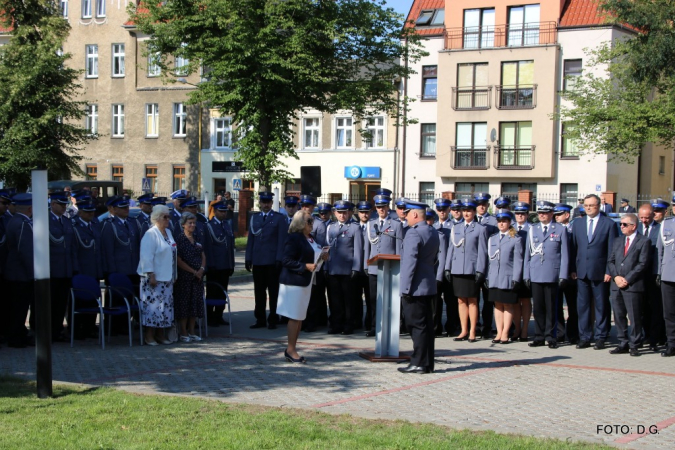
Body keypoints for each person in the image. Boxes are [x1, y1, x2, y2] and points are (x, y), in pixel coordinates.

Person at [277, 211, 328, 363]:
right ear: (300, 223)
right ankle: (291, 350)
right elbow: (286, 260)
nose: (312, 224)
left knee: (299, 317)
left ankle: (292, 348)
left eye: (312, 221)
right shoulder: (294, 238)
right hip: (294, 282)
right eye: (309, 221)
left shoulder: (310, 238)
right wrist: (304, 266)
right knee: (294, 317)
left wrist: (322, 257)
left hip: (305, 282)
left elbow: (313, 258)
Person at [570, 194, 619, 350]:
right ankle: (584, 336)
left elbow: (612, 250)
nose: (589, 208)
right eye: (586, 205)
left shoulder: (609, 224)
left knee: (601, 306)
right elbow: (574, 248)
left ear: (598, 206)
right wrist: (572, 268)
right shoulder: (577, 223)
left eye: (591, 205)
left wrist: (608, 271)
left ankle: (601, 337)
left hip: (600, 272)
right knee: (582, 306)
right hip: (581, 272)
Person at [397, 200, 440, 374]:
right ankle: (427, 363)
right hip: (428, 285)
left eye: (407, 213)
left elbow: (409, 263)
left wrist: (405, 288)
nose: (405, 217)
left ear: (414, 214)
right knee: (427, 327)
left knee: (416, 326)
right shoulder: (432, 231)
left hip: (414, 288)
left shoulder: (413, 234)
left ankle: (419, 362)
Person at [524, 201, 569, 349]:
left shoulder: (560, 229)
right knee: (538, 308)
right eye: (540, 213)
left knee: (551, 307)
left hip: (552, 273)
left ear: (551, 214)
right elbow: (527, 255)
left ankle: (551, 336)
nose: (542, 215)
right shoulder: (532, 230)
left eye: (545, 212)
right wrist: (526, 274)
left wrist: (563, 275)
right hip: (536, 273)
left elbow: (564, 255)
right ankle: (539, 336)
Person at [443, 199, 488, 342]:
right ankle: (463, 330)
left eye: (469, 210)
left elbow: (482, 251)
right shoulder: (456, 228)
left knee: (473, 301)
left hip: (471, 269)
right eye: (464, 210)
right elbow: (451, 248)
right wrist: (448, 267)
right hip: (457, 269)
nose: (466, 213)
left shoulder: (480, 229)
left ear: (474, 212)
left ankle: (473, 331)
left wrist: (480, 269)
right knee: (461, 301)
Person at [608, 213, 650, 356]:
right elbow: (611, 261)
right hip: (617, 284)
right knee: (619, 315)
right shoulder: (618, 241)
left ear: (634, 226)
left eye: (624, 224)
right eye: (621, 224)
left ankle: (634, 344)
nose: (621, 227)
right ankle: (622, 342)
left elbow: (642, 263)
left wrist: (627, 279)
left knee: (634, 316)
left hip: (633, 285)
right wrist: (616, 277)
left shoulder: (643, 241)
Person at [245, 191, 287, 329]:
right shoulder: (255, 218)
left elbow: (282, 240)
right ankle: (260, 319)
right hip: (258, 261)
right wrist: (248, 258)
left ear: (271, 203)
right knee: (259, 292)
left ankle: (273, 318)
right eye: (264, 202)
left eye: (268, 202)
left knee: (273, 292)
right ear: (260, 203)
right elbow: (251, 240)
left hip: (272, 261)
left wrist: (279, 258)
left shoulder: (279, 218)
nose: (266, 205)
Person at [363, 195, 403, 337]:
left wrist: (399, 267)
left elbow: (399, 248)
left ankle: (390, 326)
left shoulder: (396, 225)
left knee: (389, 299)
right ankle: (375, 326)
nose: (381, 210)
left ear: (388, 208)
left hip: (390, 268)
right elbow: (366, 247)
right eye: (379, 207)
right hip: (374, 268)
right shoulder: (370, 224)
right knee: (374, 299)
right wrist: (366, 266)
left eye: (383, 207)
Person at [137, 205, 176, 346]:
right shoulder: (150, 234)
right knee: (153, 308)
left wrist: (174, 274)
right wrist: (150, 274)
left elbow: (172, 253)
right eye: (165, 217)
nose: (168, 219)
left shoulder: (168, 233)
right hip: (153, 277)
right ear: (157, 218)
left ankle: (160, 334)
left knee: (165, 308)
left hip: (167, 276)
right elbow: (146, 256)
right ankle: (149, 336)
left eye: (168, 216)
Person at [325, 200, 364, 335]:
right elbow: (327, 249)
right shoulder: (331, 227)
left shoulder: (355, 227)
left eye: (345, 213)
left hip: (348, 270)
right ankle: (336, 324)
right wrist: (325, 267)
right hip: (333, 269)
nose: (342, 215)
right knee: (335, 300)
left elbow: (358, 250)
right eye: (340, 212)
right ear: (335, 213)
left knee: (349, 300)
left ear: (349, 213)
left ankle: (349, 324)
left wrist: (356, 268)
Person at [486, 210, 522, 344]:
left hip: (508, 277)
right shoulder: (493, 238)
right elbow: (489, 260)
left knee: (507, 305)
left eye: (504, 221)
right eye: (499, 221)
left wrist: (516, 278)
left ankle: (506, 333)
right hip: (495, 277)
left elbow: (518, 261)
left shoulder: (515, 239)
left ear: (509, 222)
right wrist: (487, 277)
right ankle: (499, 332)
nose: (501, 223)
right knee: (497, 305)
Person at [4, 194, 35, 348]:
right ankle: (16, 338)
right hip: (20, 274)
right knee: (19, 308)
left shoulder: (15, 221)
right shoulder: (22, 223)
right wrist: (33, 272)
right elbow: (26, 251)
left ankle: (17, 335)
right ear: (30, 208)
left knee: (17, 307)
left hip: (15, 272)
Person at [70, 199, 103, 340]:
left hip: (93, 270)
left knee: (93, 301)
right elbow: (74, 251)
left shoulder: (94, 226)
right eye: (88, 212)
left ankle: (89, 328)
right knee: (79, 302)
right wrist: (76, 270)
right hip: (82, 271)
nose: (91, 214)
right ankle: (77, 330)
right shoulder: (75, 227)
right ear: (80, 212)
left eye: (92, 212)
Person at [48, 191, 78, 342]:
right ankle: (48, 331)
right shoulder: (45, 221)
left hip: (65, 269)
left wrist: (73, 267)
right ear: (52, 204)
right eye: (60, 204)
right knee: (50, 303)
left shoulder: (66, 221)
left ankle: (58, 329)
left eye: (65, 204)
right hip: (52, 269)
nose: (63, 207)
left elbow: (71, 246)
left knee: (61, 303)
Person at [174, 212, 206, 342]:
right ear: (183, 225)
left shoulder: (197, 238)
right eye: (190, 223)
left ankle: (192, 331)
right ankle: (183, 332)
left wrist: (201, 269)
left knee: (195, 304)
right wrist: (193, 271)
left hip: (197, 278)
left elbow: (203, 255)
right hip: (185, 278)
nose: (192, 225)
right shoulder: (180, 240)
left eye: (194, 223)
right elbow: (178, 260)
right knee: (184, 304)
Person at [638, 201, 666, 351]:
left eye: (647, 217)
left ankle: (655, 337)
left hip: (653, 274)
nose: (644, 220)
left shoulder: (660, 229)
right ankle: (645, 334)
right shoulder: (636, 229)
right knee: (641, 308)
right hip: (638, 275)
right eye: (642, 217)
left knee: (655, 307)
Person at [204, 201, 235, 327]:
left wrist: (231, 264)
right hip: (215, 265)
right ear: (215, 212)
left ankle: (219, 315)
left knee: (223, 291)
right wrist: (210, 264)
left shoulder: (227, 225)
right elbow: (208, 247)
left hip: (225, 265)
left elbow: (230, 247)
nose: (223, 213)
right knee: (212, 292)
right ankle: (210, 317)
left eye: (224, 211)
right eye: (221, 211)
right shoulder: (210, 226)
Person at [432, 198, 458, 337]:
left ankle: (452, 327)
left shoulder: (455, 226)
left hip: (451, 269)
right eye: (439, 209)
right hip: (436, 269)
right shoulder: (433, 226)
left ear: (449, 210)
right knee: (435, 301)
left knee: (451, 301)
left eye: (444, 209)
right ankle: (436, 326)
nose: (442, 212)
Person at [554, 203, 578, 344]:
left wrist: (573, 269)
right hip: (557, 273)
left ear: (567, 215)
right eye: (555, 215)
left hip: (572, 273)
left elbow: (576, 252)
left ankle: (573, 333)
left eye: (559, 214)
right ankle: (560, 333)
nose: (556, 217)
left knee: (573, 305)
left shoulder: (575, 229)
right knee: (557, 305)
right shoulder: (554, 229)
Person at [305, 199, 330, 331]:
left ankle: (313, 321)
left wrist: (319, 265)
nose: (305, 208)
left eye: (307, 206)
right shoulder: (296, 222)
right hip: (302, 265)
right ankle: (304, 320)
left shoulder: (319, 224)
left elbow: (320, 247)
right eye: (302, 206)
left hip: (314, 265)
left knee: (314, 295)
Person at [475, 192, 498, 339]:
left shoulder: (494, 221)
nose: (481, 206)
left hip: (489, 264)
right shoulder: (470, 219)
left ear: (488, 205)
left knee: (488, 300)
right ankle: (475, 325)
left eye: (484, 204)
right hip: (473, 265)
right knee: (473, 298)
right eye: (479, 204)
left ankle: (487, 327)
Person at [657, 195, 675, 357]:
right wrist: (659, 273)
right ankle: (671, 343)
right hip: (668, 275)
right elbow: (659, 252)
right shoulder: (666, 225)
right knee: (669, 313)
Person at [512, 201, 532, 342]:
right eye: (517, 213)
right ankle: (516, 329)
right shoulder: (510, 228)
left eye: (522, 213)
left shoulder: (532, 229)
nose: (520, 216)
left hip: (527, 269)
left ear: (527, 215)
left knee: (525, 300)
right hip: (512, 270)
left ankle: (525, 329)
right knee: (514, 301)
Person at [354, 201, 372, 331]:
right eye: (362, 212)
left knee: (370, 298)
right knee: (355, 297)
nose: (364, 214)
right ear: (358, 213)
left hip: (370, 267)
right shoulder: (354, 226)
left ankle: (369, 322)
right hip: (356, 267)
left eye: (366, 212)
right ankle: (356, 321)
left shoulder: (374, 226)